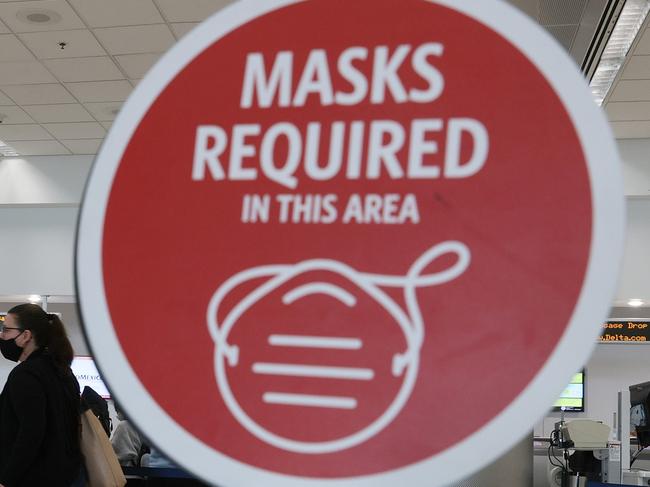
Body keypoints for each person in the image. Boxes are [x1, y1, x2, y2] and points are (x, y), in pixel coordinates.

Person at [0, 304, 82, 487]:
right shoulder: (62, 371)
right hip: (65, 475)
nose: (2, 335)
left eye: (6, 330)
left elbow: (31, 433)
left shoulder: (26, 375)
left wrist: (6, 479)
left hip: (32, 477)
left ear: (26, 336)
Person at [111, 402, 145, 467]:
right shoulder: (142, 427)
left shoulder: (124, 425)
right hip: (139, 471)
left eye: (117, 411)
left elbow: (114, 453)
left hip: (125, 471)